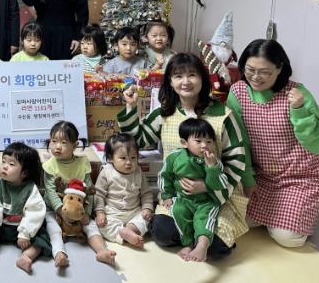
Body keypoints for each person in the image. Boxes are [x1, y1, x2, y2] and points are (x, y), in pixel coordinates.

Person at [118, 52, 251, 259]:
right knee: (162, 233)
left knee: (216, 247)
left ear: (202, 79)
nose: (185, 82)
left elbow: (236, 161)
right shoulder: (164, 113)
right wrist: (131, 106)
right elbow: (137, 141)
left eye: (192, 75)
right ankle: (191, 238)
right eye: (178, 76)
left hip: (215, 197)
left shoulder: (223, 115)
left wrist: (206, 186)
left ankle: (200, 239)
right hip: (179, 198)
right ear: (170, 82)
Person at [227, 39, 319, 248]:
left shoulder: (297, 93)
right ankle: (275, 216)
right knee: (237, 219)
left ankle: (287, 215)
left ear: (280, 68)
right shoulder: (238, 92)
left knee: (288, 239)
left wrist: (299, 109)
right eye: (250, 70)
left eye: (264, 72)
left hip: (301, 178)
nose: (255, 77)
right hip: (263, 177)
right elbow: (238, 140)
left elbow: (318, 145)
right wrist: (248, 179)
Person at [0, 142, 51, 273]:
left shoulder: (30, 189)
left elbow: (35, 212)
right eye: (3, 161)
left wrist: (25, 233)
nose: (5, 166)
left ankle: (27, 256)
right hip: (1, 227)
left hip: (22, 228)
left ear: (24, 173)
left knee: (42, 234)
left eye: (11, 164)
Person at [42, 121, 116, 268]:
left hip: (79, 208)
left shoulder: (82, 163)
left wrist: (86, 213)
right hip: (54, 209)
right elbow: (50, 192)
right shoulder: (50, 165)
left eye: (64, 142)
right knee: (53, 229)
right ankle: (59, 254)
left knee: (91, 227)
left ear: (75, 145)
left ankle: (102, 251)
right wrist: (60, 211)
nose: (57, 146)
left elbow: (90, 190)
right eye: (54, 141)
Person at [158, 118, 225, 262]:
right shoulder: (175, 157)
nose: (204, 145)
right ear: (184, 143)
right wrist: (166, 195)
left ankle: (202, 245)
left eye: (209, 141)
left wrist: (212, 168)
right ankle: (188, 243)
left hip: (206, 201)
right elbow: (164, 176)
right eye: (198, 141)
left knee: (203, 218)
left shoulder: (214, 161)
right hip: (183, 199)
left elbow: (220, 184)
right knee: (178, 211)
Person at [94, 133, 153, 247]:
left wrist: (147, 208)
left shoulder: (138, 172)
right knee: (101, 225)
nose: (129, 162)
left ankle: (129, 230)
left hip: (134, 211)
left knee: (148, 219)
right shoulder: (106, 172)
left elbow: (146, 193)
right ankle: (121, 233)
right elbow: (98, 195)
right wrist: (100, 213)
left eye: (133, 158)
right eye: (123, 158)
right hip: (112, 212)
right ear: (111, 158)